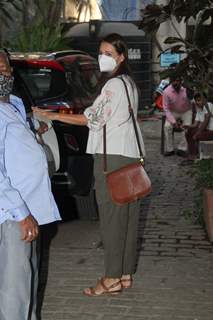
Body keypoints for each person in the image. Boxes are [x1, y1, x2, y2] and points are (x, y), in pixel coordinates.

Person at [33, 33, 145, 296]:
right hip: (129, 157)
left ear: (121, 57)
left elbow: (91, 120)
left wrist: (50, 115)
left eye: (109, 53)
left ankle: (111, 278)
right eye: (101, 52)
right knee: (127, 218)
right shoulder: (129, 83)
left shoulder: (113, 86)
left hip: (112, 159)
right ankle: (125, 274)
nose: (103, 58)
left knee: (111, 219)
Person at [0, 51, 61, 320]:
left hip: (31, 207)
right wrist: (20, 212)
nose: (5, 73)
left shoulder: (12, 103)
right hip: (13, 212)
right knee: (15, 288)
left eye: (6, 68)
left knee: (30, 278)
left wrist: (34, 130)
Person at [163, 75, 193, 156]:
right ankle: (170, 149)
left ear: (181, 81)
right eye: (174, 81)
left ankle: (182, 148)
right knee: (167, 126)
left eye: (178, 81)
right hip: (173, 111)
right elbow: (165, 108)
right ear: (171, 82)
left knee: (187, 126)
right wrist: (173, 122)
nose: (176, 83)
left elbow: (192, 100)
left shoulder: (186, 89)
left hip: (186, 111)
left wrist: (190, 90)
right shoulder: (166, 91)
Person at [183, 92, 213, 163]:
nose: (197, 102)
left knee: (196, 134)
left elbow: (206, 120)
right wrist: (187, 126)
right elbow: (195, 124)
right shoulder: (199, 110)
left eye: (199, 100)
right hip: (206, 130)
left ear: (205, 100)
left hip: (211, 131)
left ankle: (194, 154)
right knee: (189, 131)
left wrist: (198, 133)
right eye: (196, 100)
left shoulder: (209, 105)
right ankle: (193, 153)